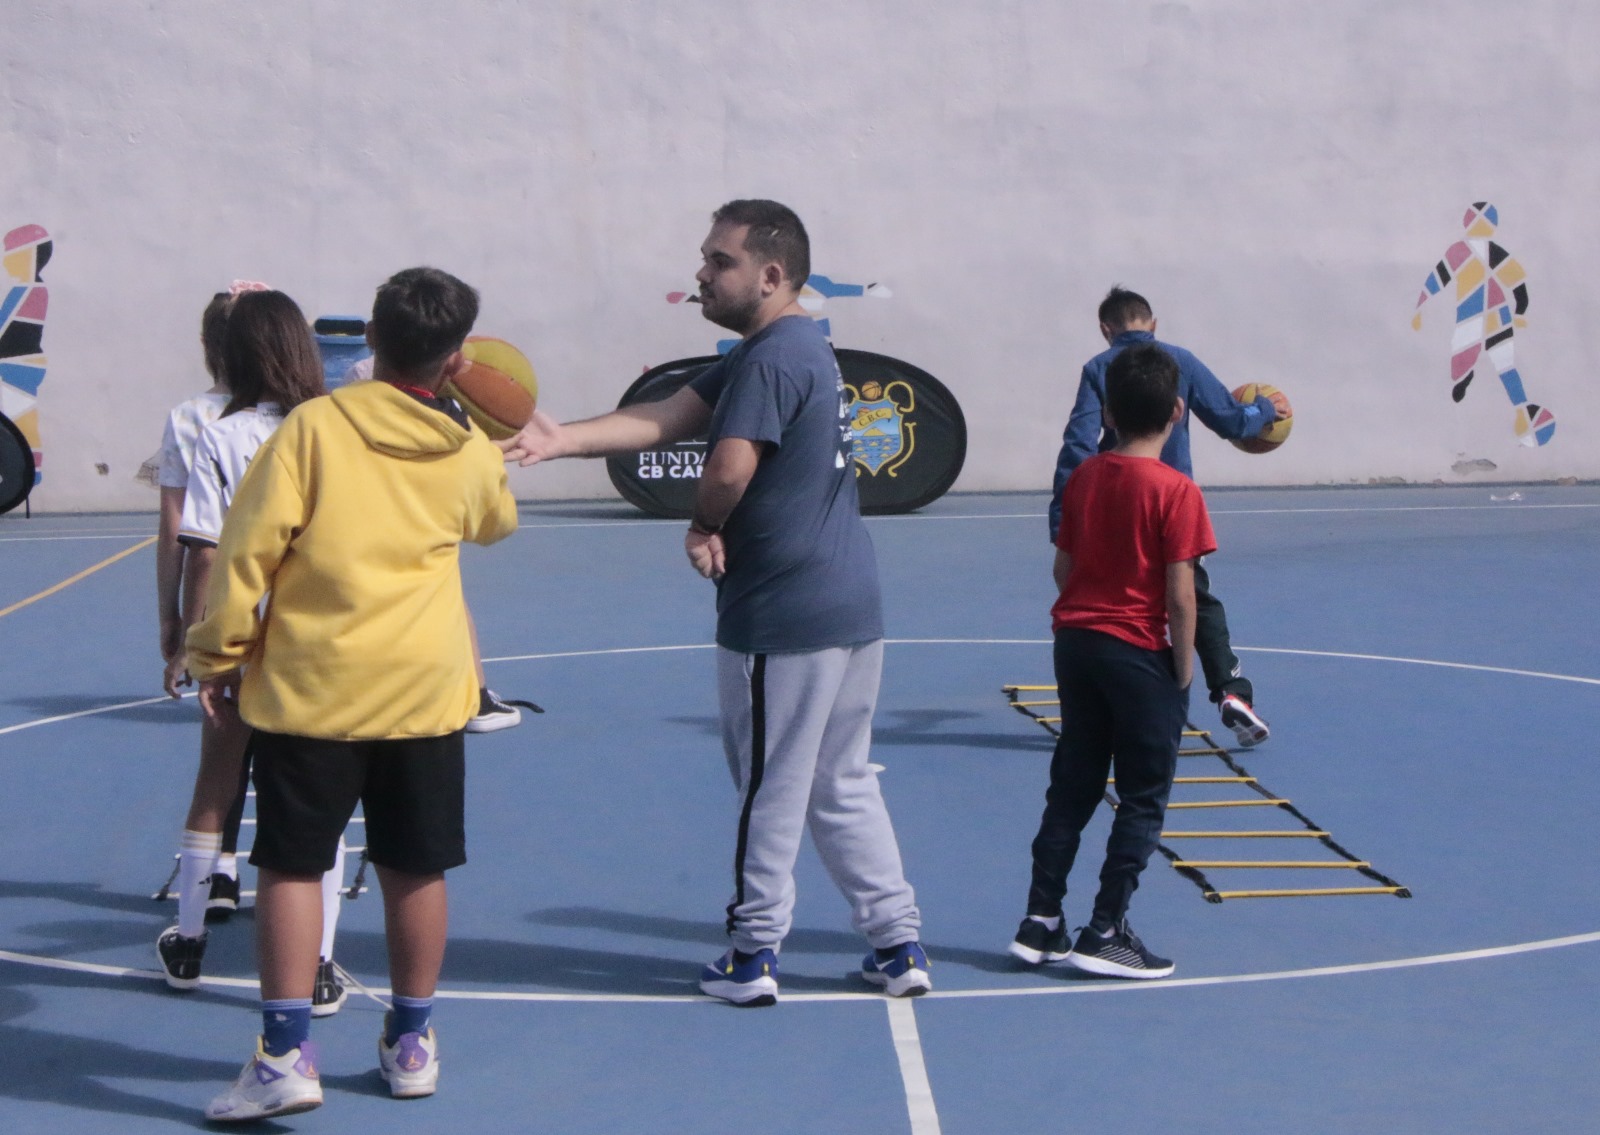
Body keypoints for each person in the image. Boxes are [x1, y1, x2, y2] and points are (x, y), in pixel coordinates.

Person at [501, 199, 929, 1005]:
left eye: (718, 260)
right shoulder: (792, 345)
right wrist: (563, 439)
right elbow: (666, 416)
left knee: (771, 783)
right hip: (849, 603)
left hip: (786, 613)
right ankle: (898, 941)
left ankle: (754, 951)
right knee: (841, 777)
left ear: (771, 276)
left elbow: (729, 467)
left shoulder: (769, 361)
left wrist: (703, 524)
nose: (701, 272)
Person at [187, 267, 518, 1121]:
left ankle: (286, 1053)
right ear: (453, 359)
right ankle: (411, 1039)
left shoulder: (312, 430)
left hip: (314, 690)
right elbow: (496, 521)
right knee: (417, 862)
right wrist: (483, 427)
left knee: (293, 864)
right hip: (424, 691)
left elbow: (246, 550)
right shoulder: (464, 447)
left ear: (369, 336)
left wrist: (216, 652)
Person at [156, 288, 349, 1016]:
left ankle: (190, 936)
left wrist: (192, 636)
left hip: (245, 631)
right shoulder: (330, 425)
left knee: (217, 778)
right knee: (318, 799)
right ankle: (322, 961)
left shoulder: (218, 430)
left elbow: (202, 546)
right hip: (318, 634)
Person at [1011, 342, 1215, 978]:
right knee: (1144, 794)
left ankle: (1041, 918)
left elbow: (1062, 565)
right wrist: (1183, 668)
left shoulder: (1085, 478)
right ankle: (1105, 928)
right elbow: (1183, 596)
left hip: (1075, 643)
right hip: (1136, 650)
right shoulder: (1177, 492)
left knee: (1073, 782)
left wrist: (1086, 611)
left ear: (1109, 412)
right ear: (1177, 412)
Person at [1048, 286, 1278, 747]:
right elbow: (1229, 419)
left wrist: (1064, 514)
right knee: (1193, 598)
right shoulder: (1180, 362)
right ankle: (1231, 693)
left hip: (1111, 502)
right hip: (1170, 500)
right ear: (1153, 324)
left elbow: (1077, 440)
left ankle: (1110, 700)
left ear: (1105, 329)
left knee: (1116, 599)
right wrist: (1265, 412)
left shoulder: (1099, 367)